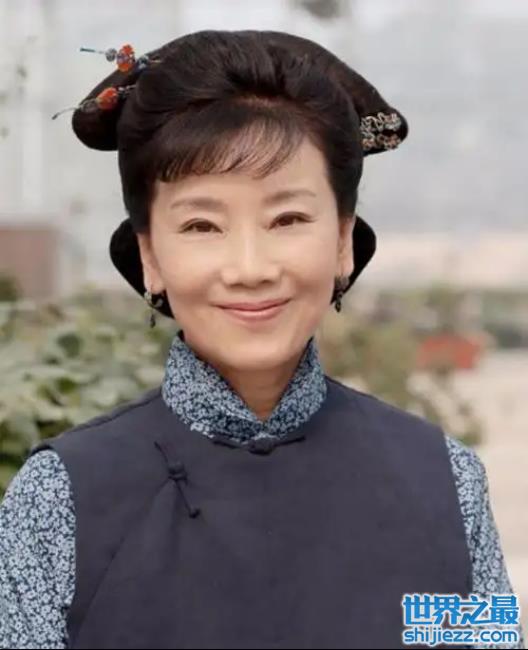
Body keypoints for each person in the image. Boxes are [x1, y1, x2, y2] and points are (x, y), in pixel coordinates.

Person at [0, 30, 524, 649]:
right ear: (150, 258)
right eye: (202, 225)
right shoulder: (60, 499)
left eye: (288, 218)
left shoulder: (445, 483)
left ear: (343, 241)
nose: (249, 268)